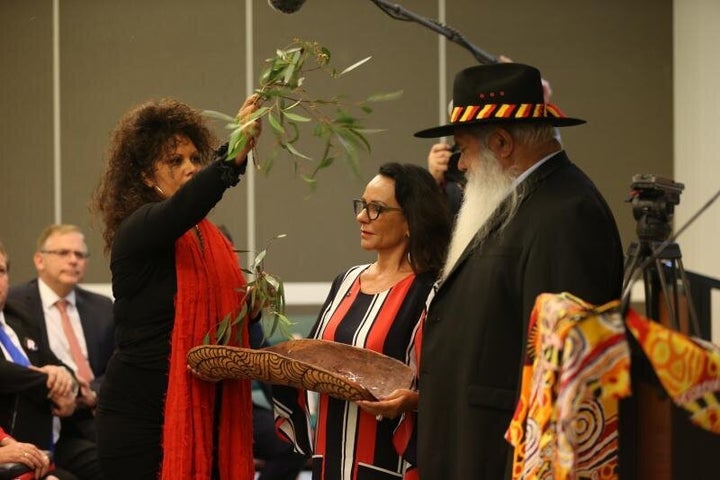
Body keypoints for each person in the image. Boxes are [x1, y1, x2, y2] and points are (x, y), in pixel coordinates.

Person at [412, 62, 624, 479]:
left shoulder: (568, 213)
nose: (463, 166)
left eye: (464, 150)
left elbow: (564, 373)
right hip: (471, 443)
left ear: (503, 143)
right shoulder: (521, 200)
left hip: (502, 455)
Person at [91, 95, 262, 480]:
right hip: (140, 419)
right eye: (175, 161)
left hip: (203, 407)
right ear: (146, 177)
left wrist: (249, 305)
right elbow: (184, 207)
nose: (189, 168)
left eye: (193, 159)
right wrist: (232, 157)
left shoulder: (206, 238)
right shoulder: (139, 227)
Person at [273, 163, 452, 480]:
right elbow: (310, 361)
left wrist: (414, 401)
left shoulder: (432, 290)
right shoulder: (346, 281)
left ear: (411, 220)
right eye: (362, 205)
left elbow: (450, 383)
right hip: (330, 456)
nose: (361, 217)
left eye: (376, 209)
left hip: (390, 461)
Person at [8, 224, 114, 443]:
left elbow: (119, 363)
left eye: (80, 254)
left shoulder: (103, 307)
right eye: (63, 253)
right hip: (45, 416)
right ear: (39, 260)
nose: (73, 260)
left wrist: (92, 393)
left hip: (96, 413)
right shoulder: (14, 304)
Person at [0, 241, 81, 480]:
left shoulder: (20, 318)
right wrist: (47, 379)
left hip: (44, 445)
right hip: (12, 450)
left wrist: (68, 385)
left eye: (1, 271)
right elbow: (5, 373)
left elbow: (62, 368)